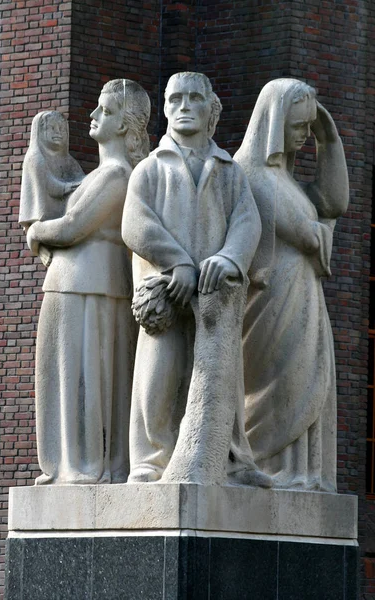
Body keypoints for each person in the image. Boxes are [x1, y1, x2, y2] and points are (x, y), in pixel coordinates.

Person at [122, 71, 271, 486]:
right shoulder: (150, 169)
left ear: (211, 110)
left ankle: (232, 459)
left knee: (222, 374)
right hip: (166, 291)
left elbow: (247, 222)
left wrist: (228, 258)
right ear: (165, 109)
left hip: (214, 295)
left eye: (194, 98)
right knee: (159, 371)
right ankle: (151, 461)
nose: (184, 106)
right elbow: (136, 224)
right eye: (175, 99)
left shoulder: (228, 170)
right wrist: (178, 264)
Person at [26, 79, 151, 484]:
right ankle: (68, 464)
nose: (93, 116)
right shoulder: (100, 174)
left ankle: (85, 466)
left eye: (106, 110)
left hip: (92, 286)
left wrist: (36, 233)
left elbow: (74, 227)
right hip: (74, 284)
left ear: (124, 125)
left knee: (86, 378)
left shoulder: (118, 174)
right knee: (66, 377)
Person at [234, 78, 349, 491]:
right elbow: (309, 235)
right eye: (298, 127)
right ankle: (275, 470)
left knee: (301, 381)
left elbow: (334, 203)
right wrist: (321, 231)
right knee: (279, 384)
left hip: (301, 295)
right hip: (270, 298)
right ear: (274, 122)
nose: (303, 134)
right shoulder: (253, 174)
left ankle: (300, 474)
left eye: (307, 127)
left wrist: (329, 140)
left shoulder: (285, 178)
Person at [19, 110, 85, 267]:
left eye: (62, 129)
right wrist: (68, 187)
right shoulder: (35, 157)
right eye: (53, 128)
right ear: (41, 132)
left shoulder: (68, 160)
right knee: (35, 227)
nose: (59, 133)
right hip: (43, 203)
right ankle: (40, 248)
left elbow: (81, 177)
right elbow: (49, 185)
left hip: (62, 214)